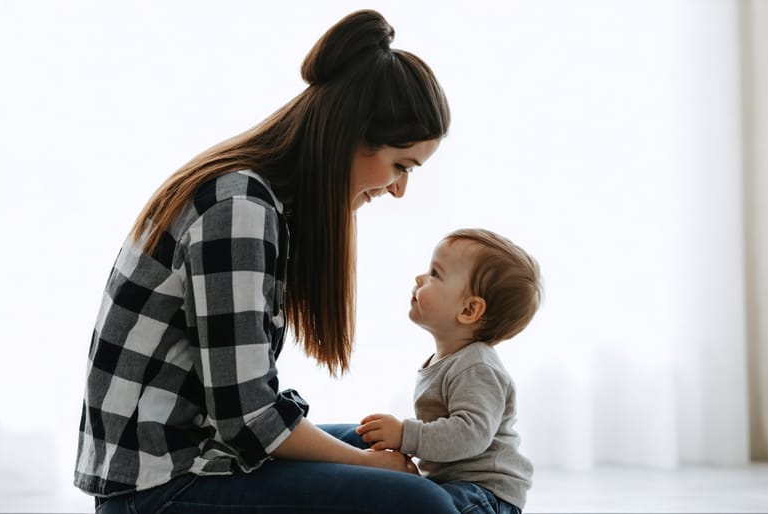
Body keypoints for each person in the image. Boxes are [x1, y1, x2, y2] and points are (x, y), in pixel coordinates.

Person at [74, 10, 460, 514]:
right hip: (158, 487)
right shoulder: (240, 207)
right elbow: (247, 418)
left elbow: (245, 408)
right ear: (350, 135)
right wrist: (365, 466)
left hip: (202, 456)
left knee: (405, 461)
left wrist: (368, 459)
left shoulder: (259, 198)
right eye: (400, 165)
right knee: (419, 505)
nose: (399, 189)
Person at [356, 228, 541, 514]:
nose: (420, 279)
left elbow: (470, 434)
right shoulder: (449, 359)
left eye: (435, 274)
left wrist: (406, 433)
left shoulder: (477, 366)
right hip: (456, 486)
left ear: (469, 310)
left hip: (486, 494)